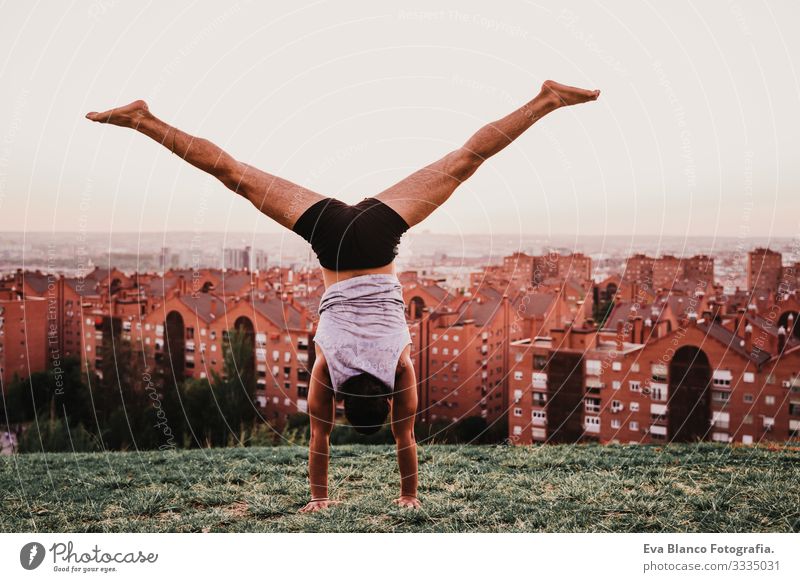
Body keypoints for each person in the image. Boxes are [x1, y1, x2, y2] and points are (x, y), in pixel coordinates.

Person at [86, 80, 600, 512]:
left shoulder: (399, 371)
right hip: (330, 236)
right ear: (346, 401)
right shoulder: (328, 371)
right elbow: (318, 443)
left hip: (377, 232)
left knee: (467, 159)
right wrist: (319, 500)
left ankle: (546, 99)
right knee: (235, 176)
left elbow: (407, 441)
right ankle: (143, 121)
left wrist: (410, 497)